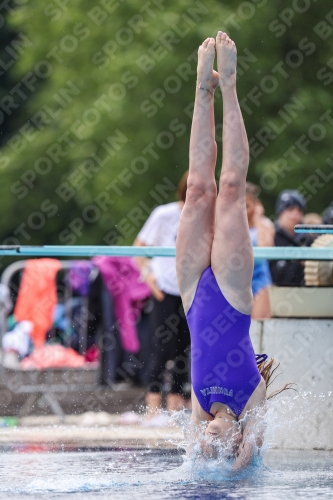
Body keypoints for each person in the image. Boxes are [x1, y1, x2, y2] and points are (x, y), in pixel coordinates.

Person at [176, 32, 290, 470]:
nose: (205, 432)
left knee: (197, 190)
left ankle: (202, 88)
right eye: (213, 437)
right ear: (237, 434)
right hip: (232, 292)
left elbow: (189, 463)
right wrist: (238, 464)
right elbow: (248, 459)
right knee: (228, 189)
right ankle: (229, 86)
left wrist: (200, 458)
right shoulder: (250, 401)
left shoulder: (201, 408)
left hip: (191, 294)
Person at [134, 171, 191, 418]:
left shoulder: (206, 217)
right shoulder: (164, 214)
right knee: (160, 347)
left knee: (184, 350)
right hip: (164, 289)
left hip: (190, 292)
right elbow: (139, 248)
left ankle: (175, 408)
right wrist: (148, 275)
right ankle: (153, 408)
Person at [269, 189, 312, 286]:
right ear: (281, 212)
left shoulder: (308, 239)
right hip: (275, 297)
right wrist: (298, 263)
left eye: (299, 210)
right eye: (290, 209)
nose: (295, 215)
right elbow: (272, 276)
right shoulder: (270, 237)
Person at [246, 183, 273, 319]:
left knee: (260, 323)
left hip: (259, 278)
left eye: (247, 206)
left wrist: (257, 218)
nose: (243, 211)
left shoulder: (264, 224)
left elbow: (264, 248)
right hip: (236, 279)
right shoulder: (228, 225)